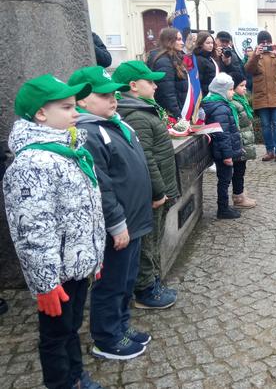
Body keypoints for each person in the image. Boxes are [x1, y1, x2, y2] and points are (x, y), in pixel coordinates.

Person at [4, 74, 105, 389]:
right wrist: (45, 283)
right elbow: (32, 232)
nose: (75, 113)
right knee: (55, 334)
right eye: (66, 107)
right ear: (41, 114)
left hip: (76, 265)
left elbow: (87, 212)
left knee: (71, 326)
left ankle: (76, 374)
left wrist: (93, 256)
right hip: (56, 274)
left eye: (74, 106)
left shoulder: (68, 152)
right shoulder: (32, 162)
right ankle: (60, 382)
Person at [68, 66, 153, 360]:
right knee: (112, 283)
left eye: (114, 94)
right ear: (81, 101)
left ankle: (121, 325)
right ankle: (106, 337)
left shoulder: (116, 123)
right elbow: (101, 186)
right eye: (103, 95)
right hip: (118, 226)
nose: (112, 100)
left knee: (127, 281)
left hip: (135, 219)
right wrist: (116, 223)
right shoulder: (88, 133)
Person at [113, 61, 180, 309]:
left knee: (154, 239)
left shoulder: (143, 109)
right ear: (132, 86)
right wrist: (159, 191)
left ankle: (152, 282)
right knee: (147, 243)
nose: (155, 86)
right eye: (149, 82)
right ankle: (145, 290)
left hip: (157, 190)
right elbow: (147, 158)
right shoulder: (137, 115)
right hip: (153, 194)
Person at [244, 30, 276, 164]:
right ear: (258, 43)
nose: (265, 44)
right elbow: (248, 69)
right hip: (261, 96)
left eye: (267, 42)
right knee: (265, 125)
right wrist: (255, 55)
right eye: (262, 42)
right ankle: (269, 151)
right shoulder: (254, 55)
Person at [202, 73, 244, 219]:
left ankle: (224, 206)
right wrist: (227, 156)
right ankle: (223, 208)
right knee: (225, 179)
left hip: (223, 151)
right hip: (223, 152)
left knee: (225, 178)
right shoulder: (220, 108)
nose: (233, 92)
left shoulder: (218, 104)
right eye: (231, 89)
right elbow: (223, 134)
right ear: (221, 91)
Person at [229, 72, 257, 209]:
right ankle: (238, 197)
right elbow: (236, 126)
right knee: (238, 170)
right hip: (239, 143)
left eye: (245, 85)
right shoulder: (233, 103)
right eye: (241, 86)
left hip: (244, 141)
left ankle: (240, 193)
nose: (245, 88)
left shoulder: (241, 100)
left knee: (241, 169)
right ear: (232, 88)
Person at [147, 27, 188, 119]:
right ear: (169, 41)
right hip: (173, 115)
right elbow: (168, 93)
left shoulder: (174, 58)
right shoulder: (164, 62)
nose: (182, 43)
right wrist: (178, 116)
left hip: (179, 109)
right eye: (178, 39)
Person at [191, 31, 218, 96]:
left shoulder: (210, 58)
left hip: (212, 93)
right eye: (208, 43)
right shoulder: (199, 59)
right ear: (200, 44)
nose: (211, 45)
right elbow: (199, 81)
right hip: (206, 95)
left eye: (212, 43)